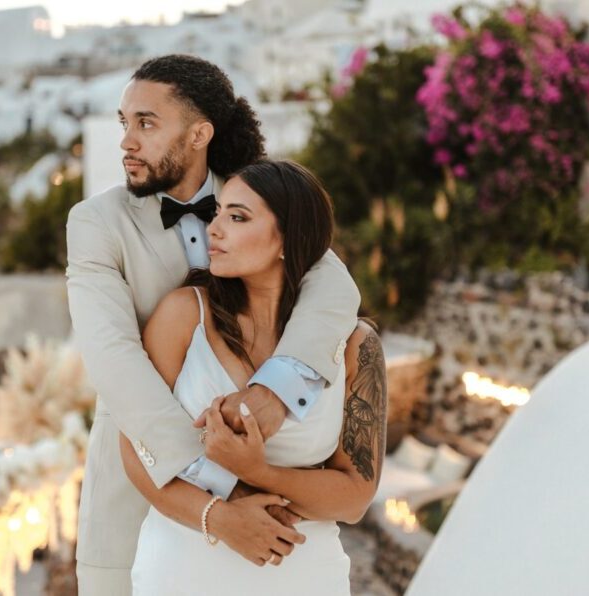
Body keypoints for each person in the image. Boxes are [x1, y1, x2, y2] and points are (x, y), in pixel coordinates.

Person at [66, 55, 361, 595]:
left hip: (273, 504)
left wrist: (276, 392)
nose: (127, 141)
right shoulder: (96, 222)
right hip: (139, 481)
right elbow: (114, 360)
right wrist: (220, 491)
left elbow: (334, 287)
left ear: (199, 133)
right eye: (124, 122)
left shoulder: (255, 198)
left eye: (146, 123)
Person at [120, 160, 387, 595]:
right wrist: (220, 518)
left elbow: (356, 496)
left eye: (238, 217)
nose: (213, 229)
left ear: (288, 239)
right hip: (184, 568)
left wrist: (258, 471)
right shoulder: (184, 315)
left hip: (301, 573)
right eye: (217, 213)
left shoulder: (357, 346)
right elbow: (135, 449)